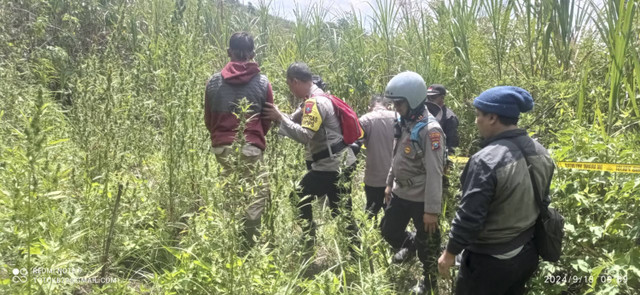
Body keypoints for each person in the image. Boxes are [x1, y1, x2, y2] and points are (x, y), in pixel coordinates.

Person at [437, 86, 555, 295]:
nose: (476, 121)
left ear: (492, 118)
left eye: (478, 115)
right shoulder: (541, 152)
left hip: (489, 263)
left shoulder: (486, 161)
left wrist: (449, 253)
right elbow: (543, 199)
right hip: (527, 252)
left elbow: (469, 218)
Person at [262, 62, 359, 249]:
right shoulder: (317, 97)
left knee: (298, 196)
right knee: (341, 211)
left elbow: (305, 135)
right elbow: (292, 119)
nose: (291, 90)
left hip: (331, 165)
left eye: (290, 86)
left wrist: (279, 117)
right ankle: (357, 251)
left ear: (295, 81)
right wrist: (280, 116)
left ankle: (309, 239)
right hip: (340, 161)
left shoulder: (314, 103)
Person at [204, 32, 273, 247]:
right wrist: (255, 137)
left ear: (228, 52)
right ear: (252, 54)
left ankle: (229, 243)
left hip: (221, 147)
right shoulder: (262, 82)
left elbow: (209, 118)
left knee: (230, 191)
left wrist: (221, 136)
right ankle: (248, 246)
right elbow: (268, 118)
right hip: (250, 147)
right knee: (256, 195)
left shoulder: (213, 82)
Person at [381, 71, 446, 294]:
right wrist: (389, 183)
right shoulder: (404, 122)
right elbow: (396, 155)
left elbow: (436, 172)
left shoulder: (430, 131)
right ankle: (410, 245)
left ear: (413, 100)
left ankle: (429, 283)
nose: (395, 107)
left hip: (421, 198)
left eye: (398, 103)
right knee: (388, 230)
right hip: (401, 192)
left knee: (429, 246)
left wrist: (431, 211)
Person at [358, 95, 396, 218]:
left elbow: (356, 144)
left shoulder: (364, 120)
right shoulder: (398, 118)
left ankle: (368, 235)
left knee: (370, 211)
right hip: (396, 178)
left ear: (370, 107)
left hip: (374, 178)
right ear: (387, 106)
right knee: (392, 214)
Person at [426, 84, 459, 154]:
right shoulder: (425, 113)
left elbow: (452, 146)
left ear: (442, 98)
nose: (429, 100)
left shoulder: (449, 118)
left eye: (433, 97)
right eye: (428, 97)